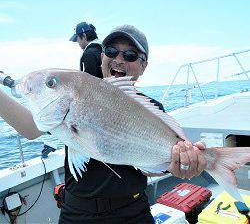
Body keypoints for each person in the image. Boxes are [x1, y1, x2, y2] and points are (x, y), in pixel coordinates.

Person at [0, 25, 206, 224]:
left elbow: (150, 169)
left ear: (144, 66)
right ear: (101, 57)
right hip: (78, 211)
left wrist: (179, 164)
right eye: (111, 51)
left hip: (132, 210)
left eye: (130, 55)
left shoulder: (153, 109)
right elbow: (30, 129)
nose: (118, 59)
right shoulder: (79, 94)